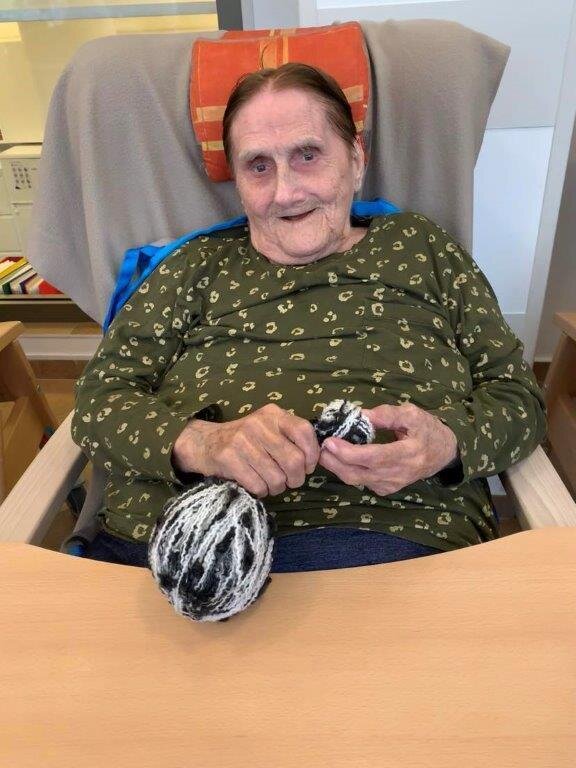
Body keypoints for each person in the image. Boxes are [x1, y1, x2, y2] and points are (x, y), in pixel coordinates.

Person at [71, 63, 547, 572]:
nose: (286, 192)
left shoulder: (420, 247)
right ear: (237, 181)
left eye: (308, 155)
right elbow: (99, 400)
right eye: (258, 166)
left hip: (399, 543)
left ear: (356, 159)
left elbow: (517, 397)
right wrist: (202, 443)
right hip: (178, 550)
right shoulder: (194, 267)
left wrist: (446, 442)